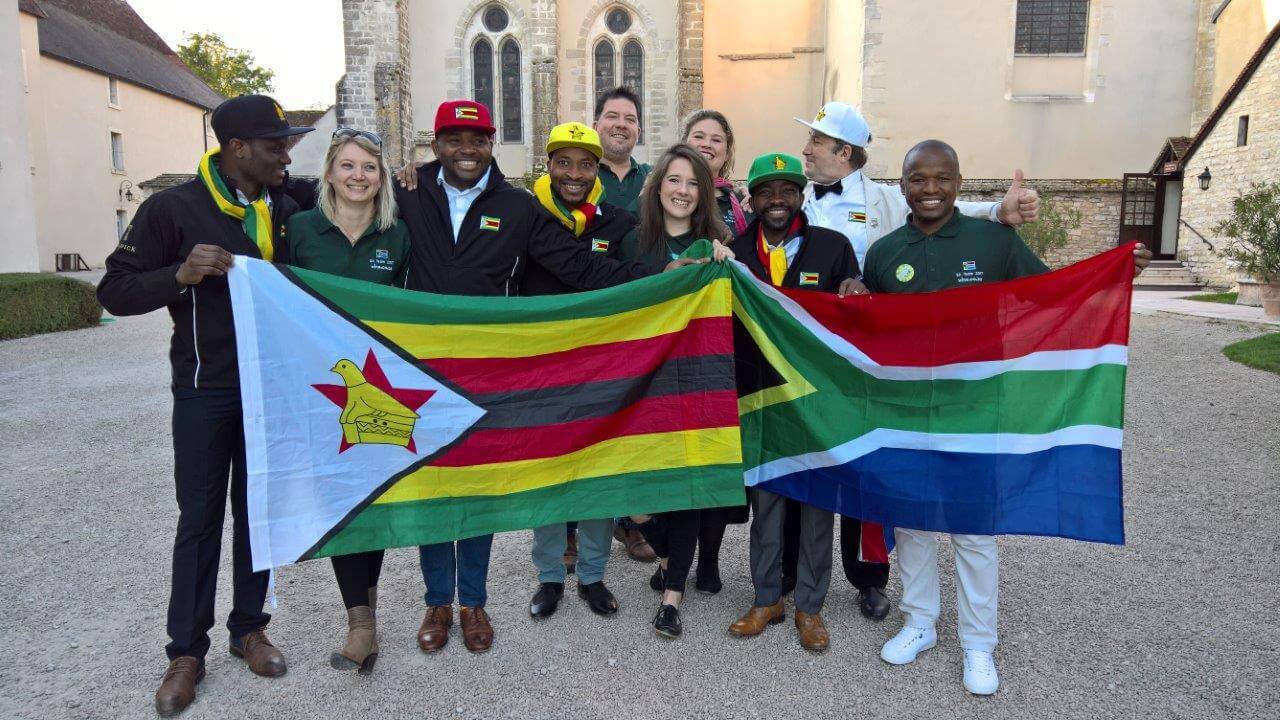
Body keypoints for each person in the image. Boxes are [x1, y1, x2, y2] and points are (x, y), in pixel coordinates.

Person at [395, 100, 700, 656]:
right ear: (435, 144)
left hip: (488, 370)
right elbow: (338, 205)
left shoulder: (515, 207)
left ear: (492, 143)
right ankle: (437, 601)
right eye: (454, 139)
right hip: (424, 367)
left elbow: (578, 265)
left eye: (478, 139)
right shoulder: (405, 192)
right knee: (433, 486)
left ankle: (474, 602)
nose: (467, 149)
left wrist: (661, 274)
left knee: (480, 484)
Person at [866, 140, 1151, 695]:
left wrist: (1116, 274)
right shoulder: (884, 252)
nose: (930, 189)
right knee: (912, 521)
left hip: (976, 408)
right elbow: (870, 330)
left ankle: (978, 643)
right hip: (908, 411)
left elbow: (1054, 296)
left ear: (959, 183)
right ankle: (920, 621)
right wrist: (856, 293)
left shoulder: (994, 241)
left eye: (942, 178)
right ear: (902, 187)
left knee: (974, 527)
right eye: (918, 179)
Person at [96, 94, 311, 717]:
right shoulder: (172, 208)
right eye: (275, 146)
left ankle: (250, 628)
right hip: (204, 388)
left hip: (271, 388)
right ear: (236, 148)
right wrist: (179, 275)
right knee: (199, 519)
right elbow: (114, 289)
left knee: (257, 512)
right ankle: (186, 651)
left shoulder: (287, 203)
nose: (286, 156)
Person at [794, 101, 1043, 622]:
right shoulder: (791, 199)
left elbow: (944, 206)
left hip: (915, 375)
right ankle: (817, 588)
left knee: (935, 505)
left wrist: (998, 212)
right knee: (857, 478)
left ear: (844, 151)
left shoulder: (886, 200)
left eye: (816, 140)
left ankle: (872, 581)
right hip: (821, 356)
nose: (807, 149)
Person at [726, 152, 865, 652]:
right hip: (761, 399)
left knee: (816, 508)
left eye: (787, 189)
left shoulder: (833, 247)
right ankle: (767, 598)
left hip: (816, 401)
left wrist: (857, 289)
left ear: (801, 195)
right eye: (767, 191)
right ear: (752, 199)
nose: (778, 200)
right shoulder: (735, 254)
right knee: (766, 507)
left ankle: (810, 605)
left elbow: (854, 312)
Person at [284, 127, 410, 673]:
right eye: (348, 166)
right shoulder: (300, 229)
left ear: (382, 178)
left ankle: (367, 618)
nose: (358, 176)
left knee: (369, 494)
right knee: (337, 495)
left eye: (369, 168)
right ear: (330, 172)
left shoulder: (396, 234)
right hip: (319, 384)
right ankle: (359, 622)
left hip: (377, 386)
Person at [618, 143, 736, 639]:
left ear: (703, 193)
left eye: (692, 183)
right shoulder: (633, 243)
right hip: (642, 382)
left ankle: (671, 599)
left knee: (686, 491)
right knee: (636, 498)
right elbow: (616, 305)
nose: (682, 191)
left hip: (694, 382)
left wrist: (728, 266)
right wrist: (660, 281)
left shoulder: (715, 246)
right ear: (658, 186)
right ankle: (669, 561)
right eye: (674, 180)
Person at [523, 121, 636, 620]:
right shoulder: (526, 215)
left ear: (597, 170)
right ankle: (550, 576)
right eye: (564, 163)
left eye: (585, 165)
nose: (574, 173)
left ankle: (592, 575)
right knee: (548, 473)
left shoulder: (618, 221)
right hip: (543, 368)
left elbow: (639, 275)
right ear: (549, 165)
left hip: (600, 368)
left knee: (597, 474)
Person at [682, 109, 752, 235]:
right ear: (683, 145)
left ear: (727, 154)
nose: (706, 144)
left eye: (716, 140)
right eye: (698, 136)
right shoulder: (665, 196)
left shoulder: (744, 203)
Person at [594, 86, 649, 214]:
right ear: (595, 127)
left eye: (630, 119)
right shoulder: (580, 177)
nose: (621, 125)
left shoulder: (654, 177)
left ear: (638, 133)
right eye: (612, 116)